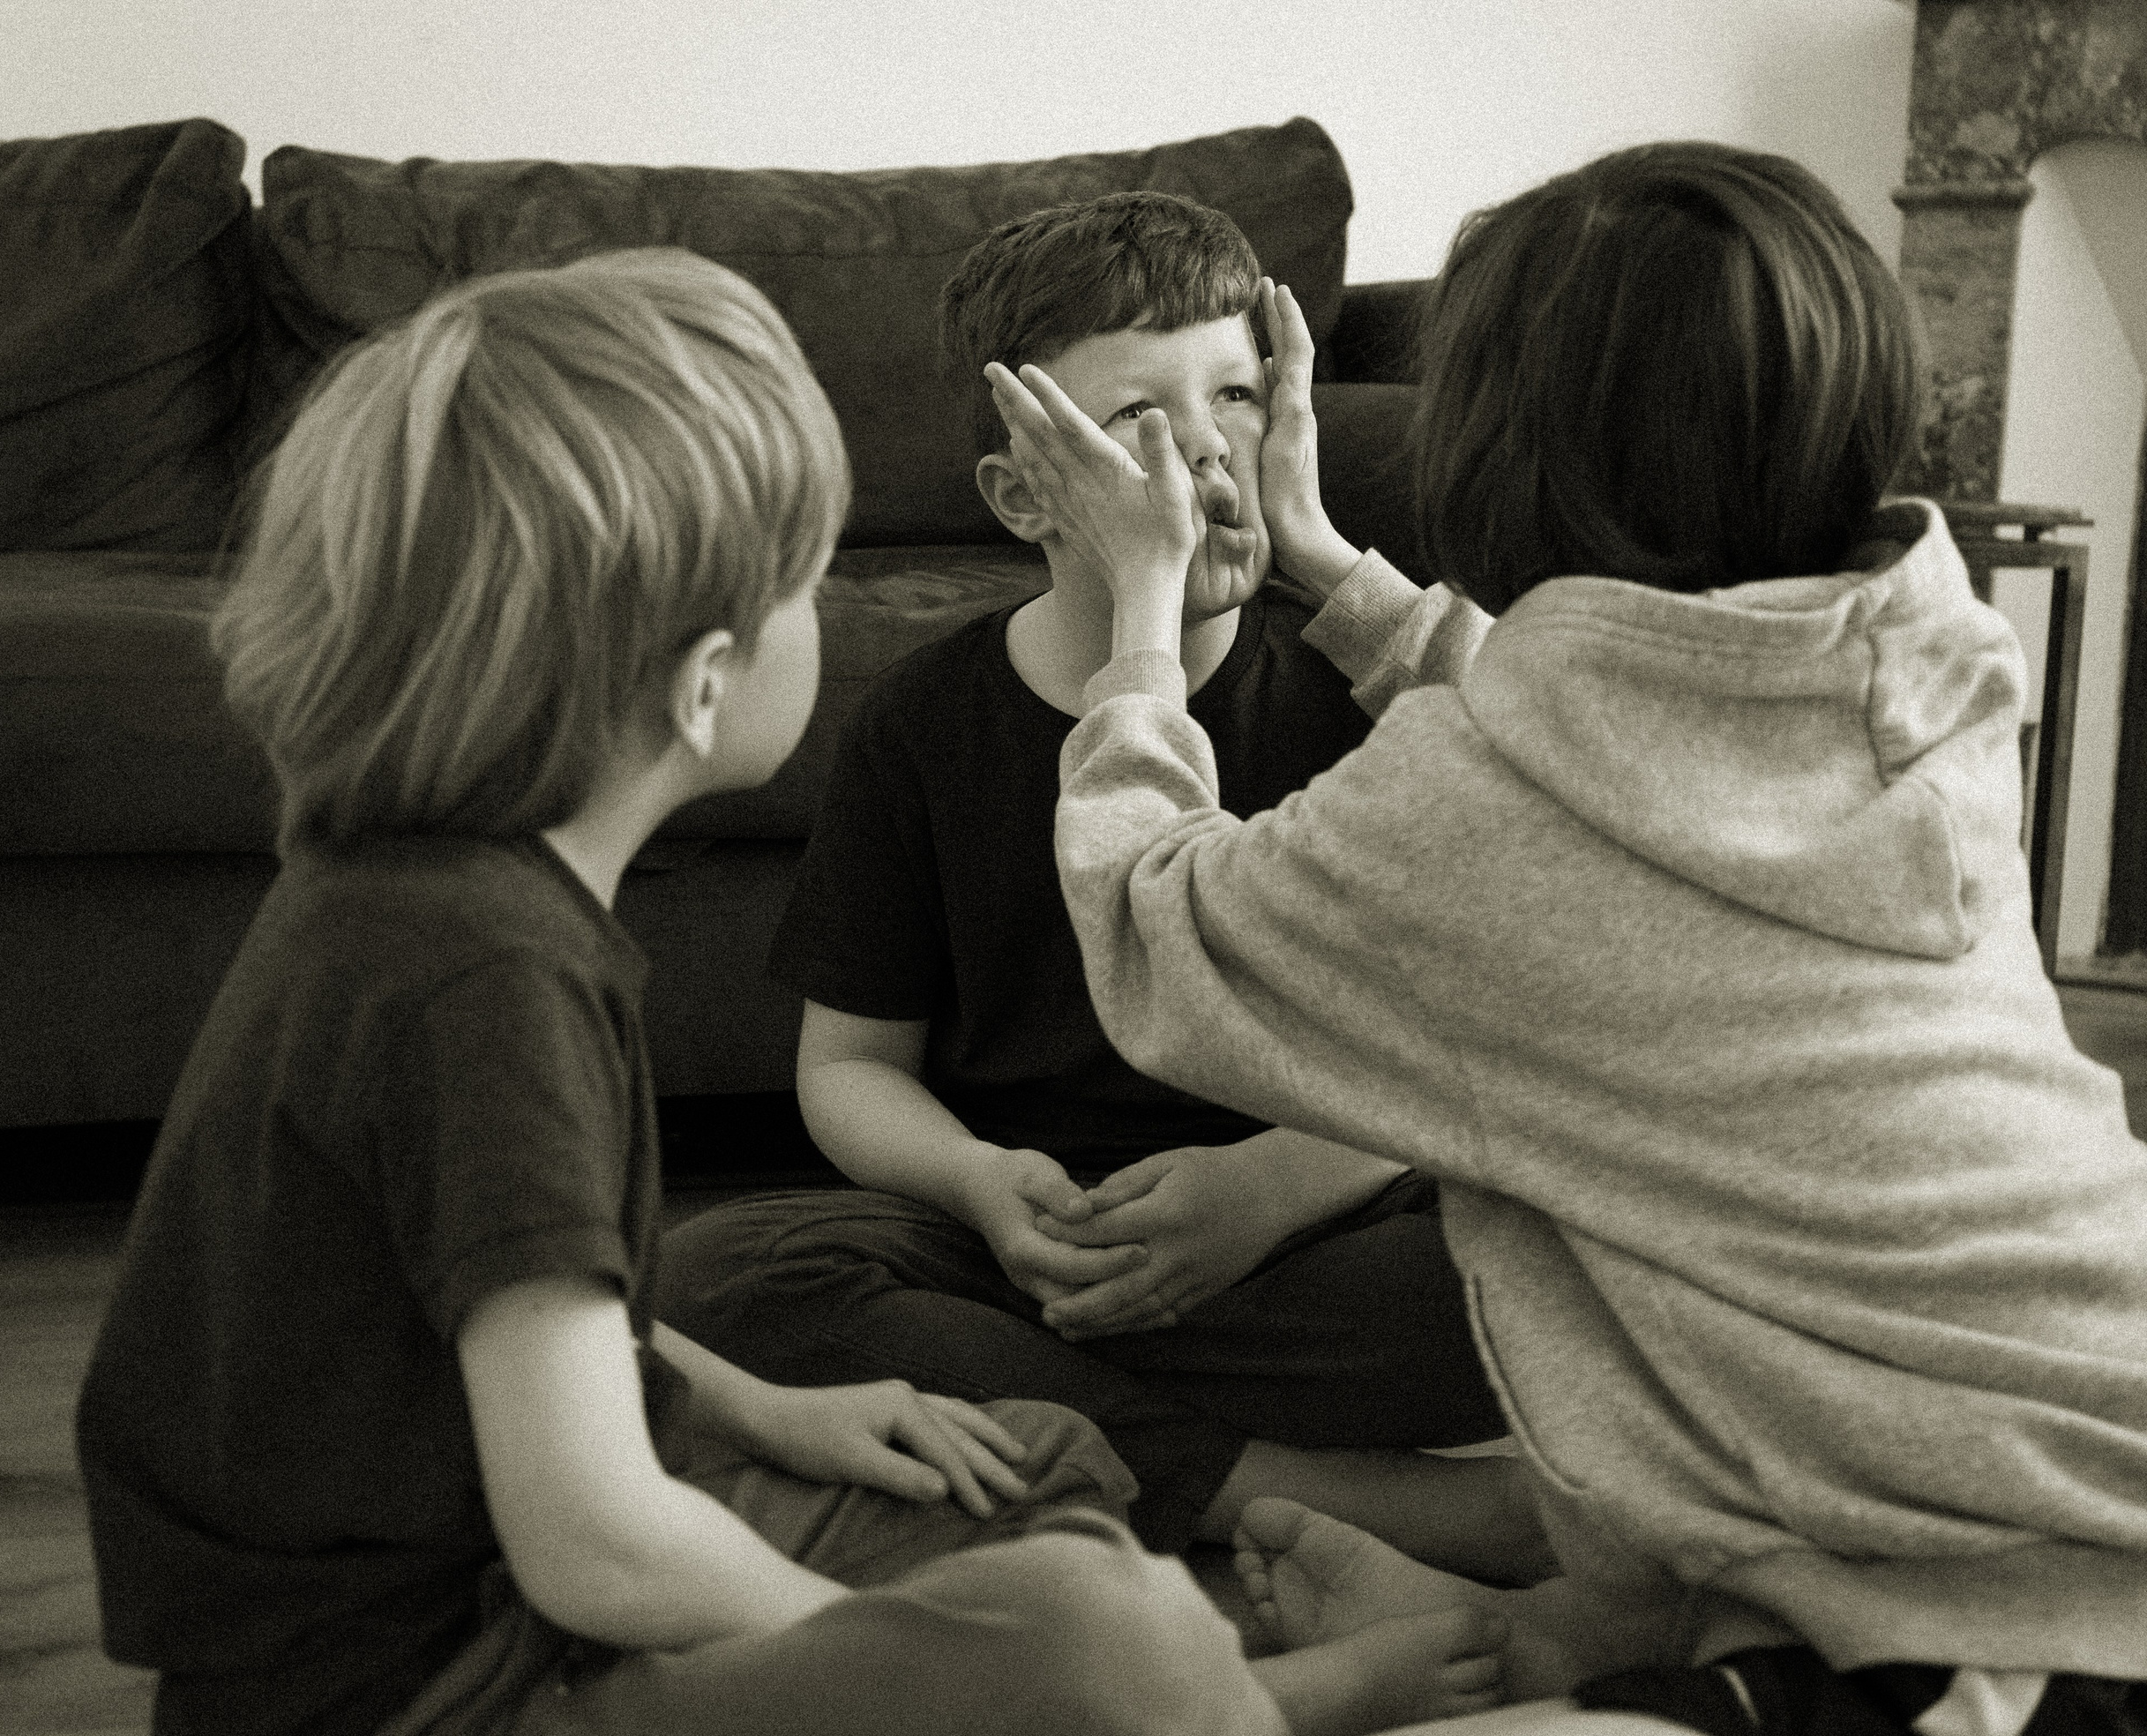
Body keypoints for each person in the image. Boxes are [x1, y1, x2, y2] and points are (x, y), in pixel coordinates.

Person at [71, 250, 1506, 1736]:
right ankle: (1258, 1703)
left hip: (497, 1577)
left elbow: (473, 1332)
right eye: (807, 578)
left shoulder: (422, 902)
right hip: (437, 1685)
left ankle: (1196, 1662)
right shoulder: (483, 980)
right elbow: (601, 1547)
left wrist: (763, 1414)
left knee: (1039, 1470)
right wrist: (931, 1660)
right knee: (1095, 1625)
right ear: (704, 684)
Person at [988, 142, 2147, 1733]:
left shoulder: (1479, 808)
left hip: (2035, 1625)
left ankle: (1591, 1647)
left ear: (1494, 451)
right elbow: (1603, 727)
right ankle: (1583, 1624)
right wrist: (1329, 567)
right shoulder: (1928, 657)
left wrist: (1141, 622)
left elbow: (1157, 931)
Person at [654, 191, 1540, 1583]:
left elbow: (1490, 1034)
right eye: (1138, 420)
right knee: (710, 1284)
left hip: (1322, 1226)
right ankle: (1302, 1494)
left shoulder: (1364, 680)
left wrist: (1274, 1191)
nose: (1204, 447)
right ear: (1021, 497)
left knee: (1573, 1252)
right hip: (1037, 1248)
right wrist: (981, 1184)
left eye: (1240, 394)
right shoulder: (924, 724)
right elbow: (849, 1073)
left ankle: (1109, 1445)